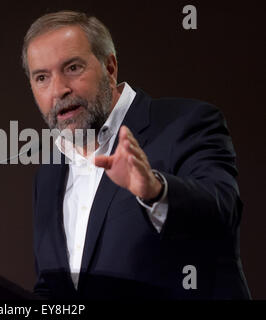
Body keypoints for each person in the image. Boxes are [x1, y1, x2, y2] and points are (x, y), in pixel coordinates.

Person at [24, 10, 251, 299]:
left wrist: (156, 191)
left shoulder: (186, 122)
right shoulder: (49, 173)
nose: (58, 90)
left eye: (72, 68)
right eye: (42, 77)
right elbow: (54, 288)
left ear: (110, 67)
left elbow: (222, 214)